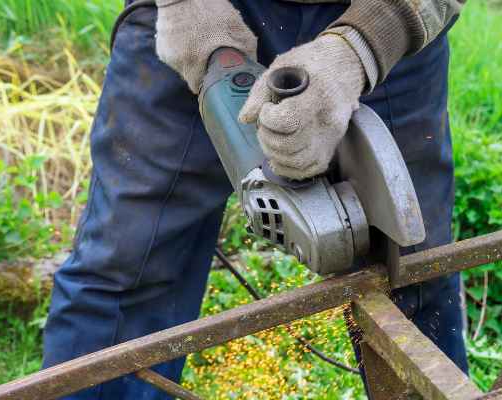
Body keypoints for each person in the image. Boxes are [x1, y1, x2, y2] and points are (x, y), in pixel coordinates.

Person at [42, 0, 466, 398]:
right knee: (126, 270)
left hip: (384, 16)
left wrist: (363, 47)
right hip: (206, 14)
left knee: (412, 274)